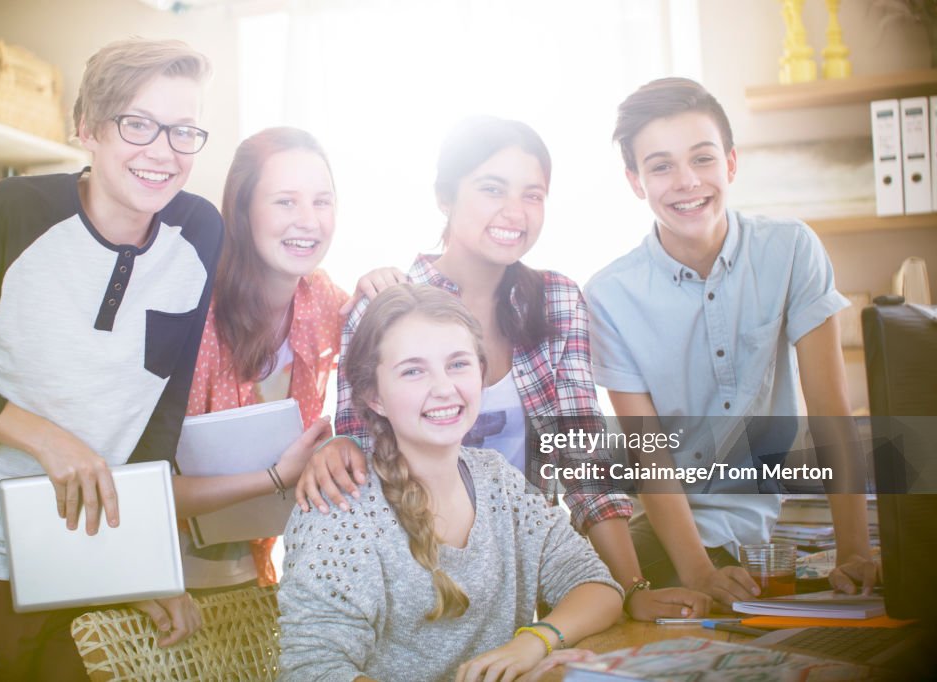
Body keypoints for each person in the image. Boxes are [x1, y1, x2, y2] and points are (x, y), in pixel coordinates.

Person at [296, 115, 710, 621]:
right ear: (445, 197)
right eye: (493, 189)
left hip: (532, 579)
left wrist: (632, 589)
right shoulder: (384, 306)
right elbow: (360, 456)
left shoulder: (558, 299)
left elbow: (583, 461)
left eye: (532, 195)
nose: (515, 212)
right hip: (415, 590)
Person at [0, 38, 222, 679]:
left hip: (93, 565)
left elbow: (156, 423)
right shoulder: (14, 213)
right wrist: (45, 438)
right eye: (138, 124)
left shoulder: (199, 234)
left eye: (184, 131)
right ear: (88, 129)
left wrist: (142, 563)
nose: (163, 151)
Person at [585, 77, 876, 609]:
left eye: (702, 158)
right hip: (676, 529)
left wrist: (854, 550)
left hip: (774, 517)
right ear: (635, 181)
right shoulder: (610, 295)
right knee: (598, 583)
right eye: (661, 166)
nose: (686, 181)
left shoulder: (791, 250)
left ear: (731, 164)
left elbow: (830, 411)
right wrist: (696, 570)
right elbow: (649, 458)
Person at [278, 284, 623, 682]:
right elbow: (314, 670)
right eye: (413, 370)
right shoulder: (339, 511)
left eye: (458, 364)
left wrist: (534, 640)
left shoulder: (499, 483)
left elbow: (597, 587)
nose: (444, 388)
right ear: (374, 396)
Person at [171, 127, 345, 590]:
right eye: (285, 202)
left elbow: (396, 347)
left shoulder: (321, 299)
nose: (308, 221)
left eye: (322, 202)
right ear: (243, 212)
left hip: (253, 571)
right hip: (162, 575)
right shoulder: (193, 310)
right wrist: (274, 478)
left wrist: (382, 286)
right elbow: (146, 490)